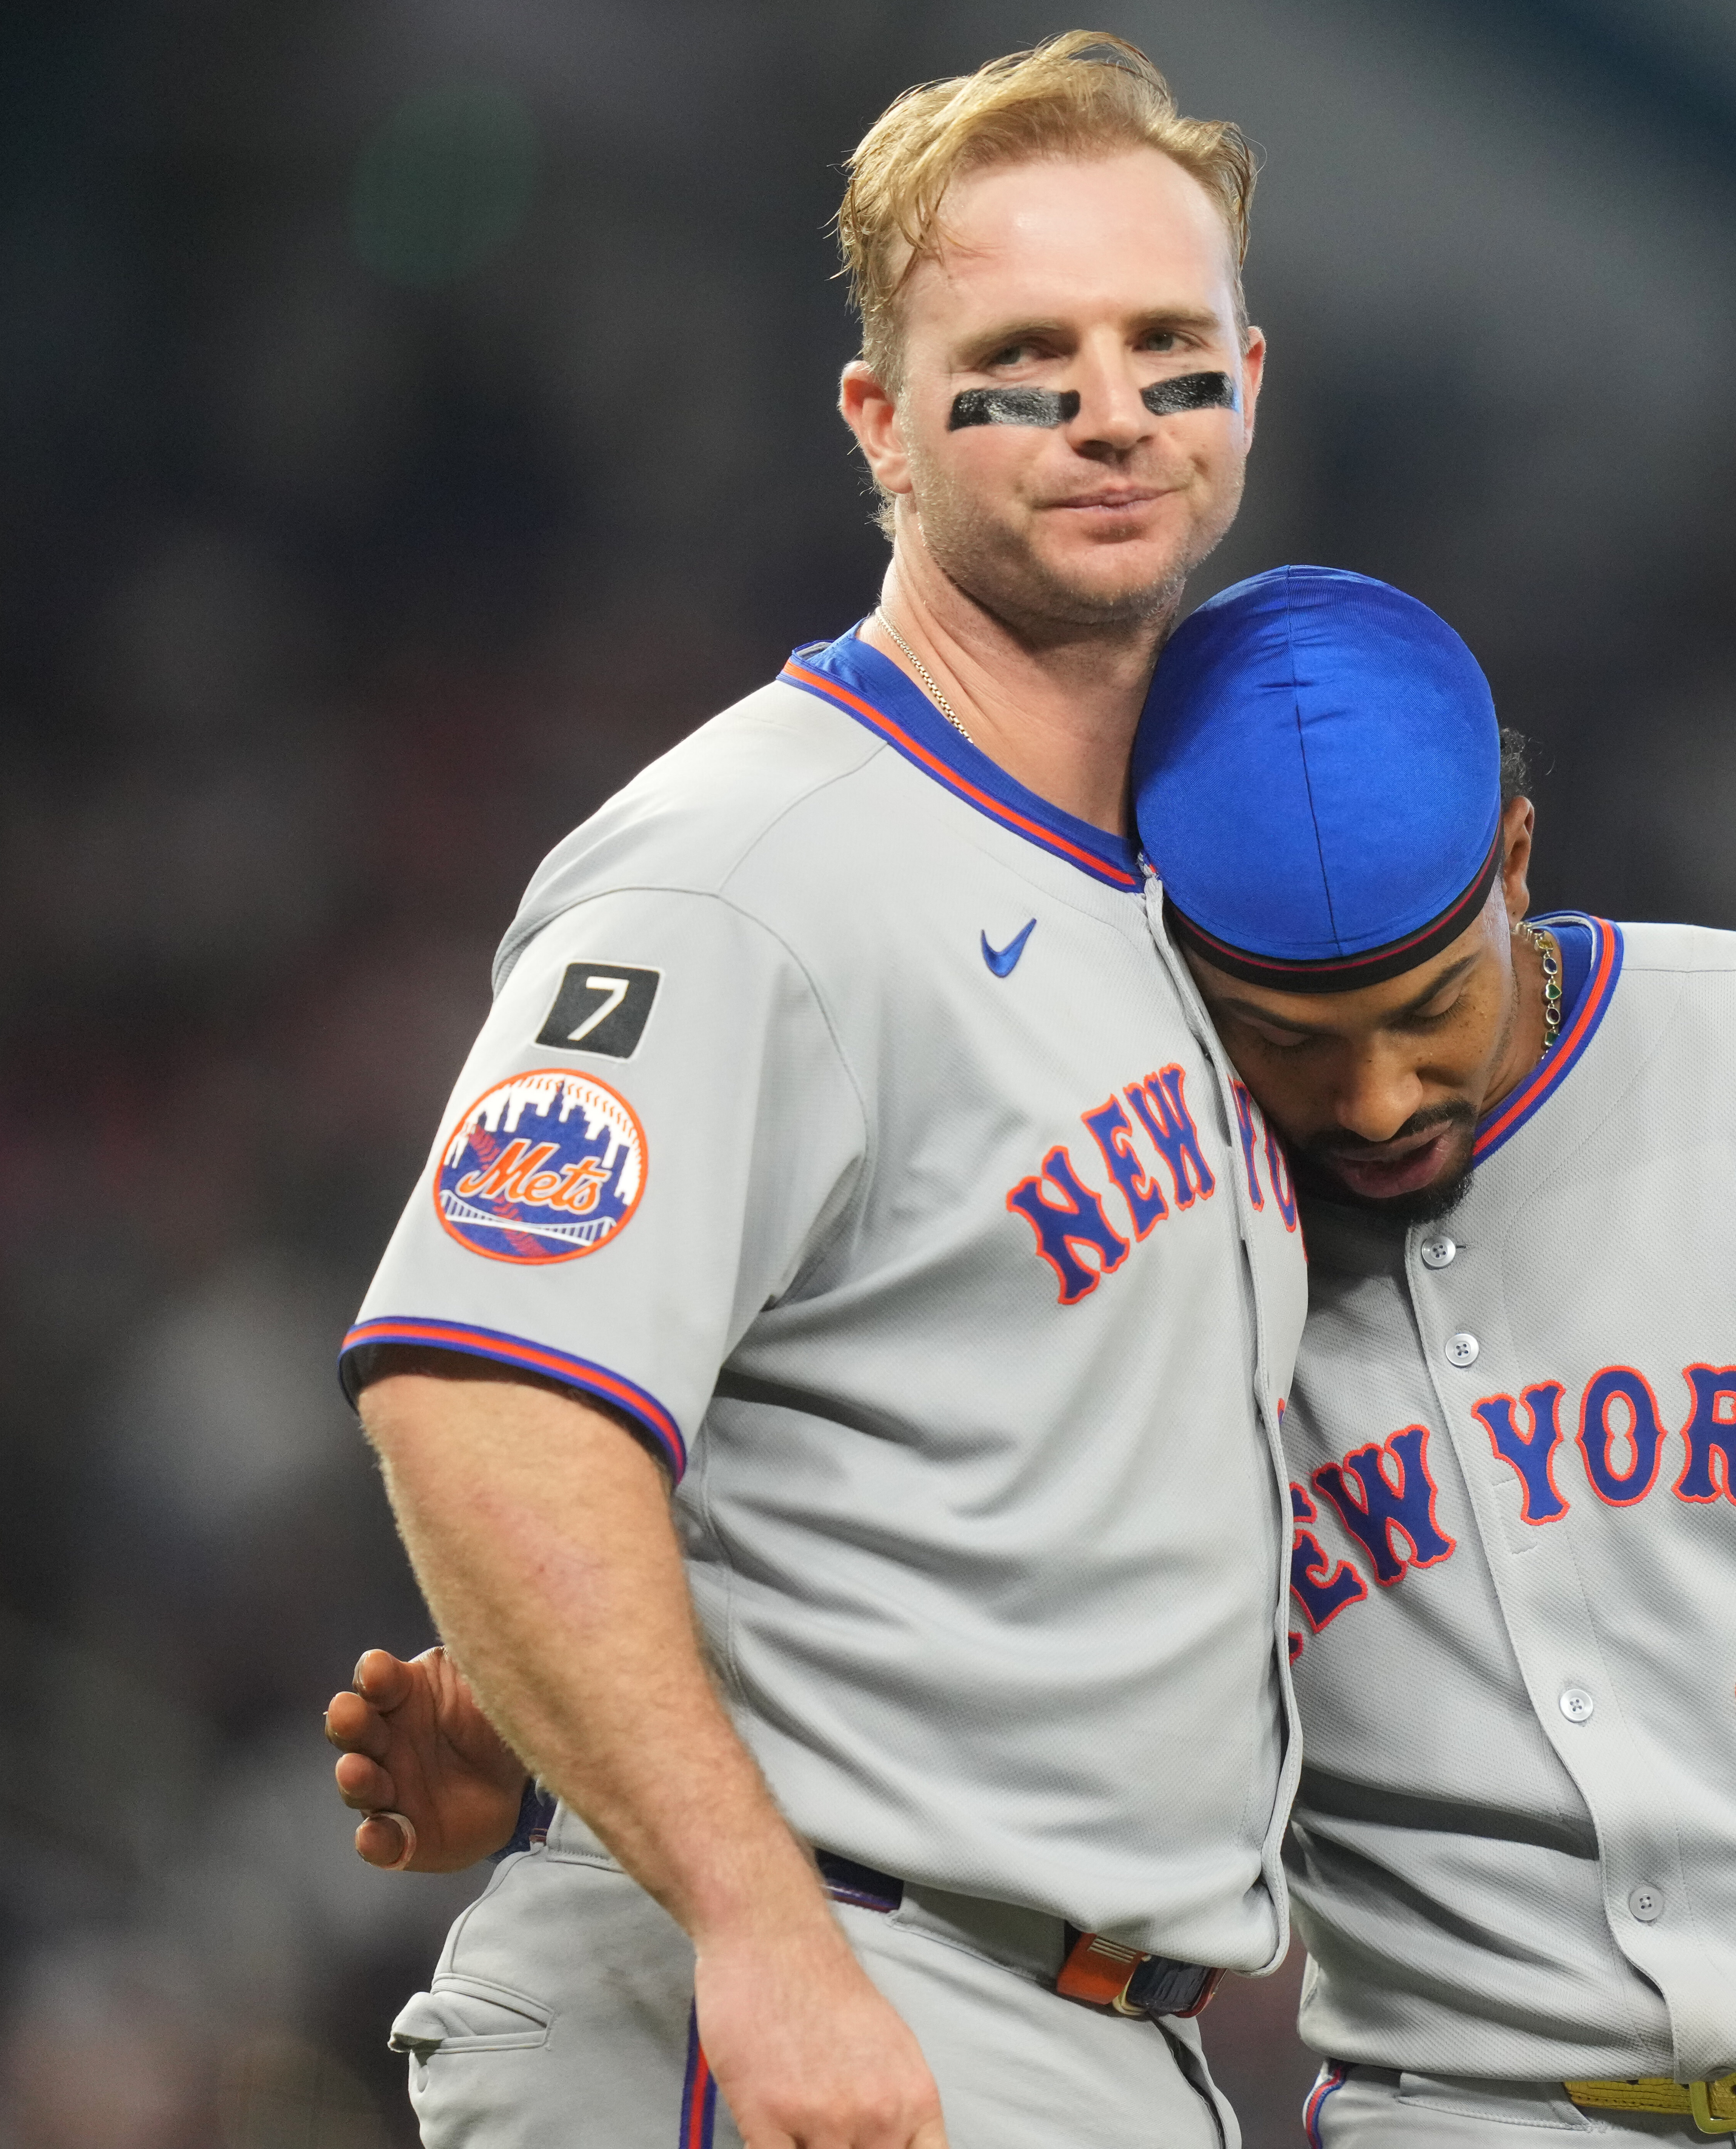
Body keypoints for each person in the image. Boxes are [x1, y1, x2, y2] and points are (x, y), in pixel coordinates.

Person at [338, 570, 1736, 2147]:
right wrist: (586, 1796)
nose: (1381, 1094)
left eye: (1431, 1009)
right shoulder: (1149, 1227)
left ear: (1516, 854)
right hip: (1469, 2117)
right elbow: (954, 1610)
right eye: (1298, 1039)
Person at [329, 36, 1308, 2149]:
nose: (1114, 408)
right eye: (1026, 358)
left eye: (1166, 346)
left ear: (1250, 379)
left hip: (1077, 2027)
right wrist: (762, 1927)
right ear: (879, 416)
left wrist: (538, 1712)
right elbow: (483, 1394)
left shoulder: (1195, 895)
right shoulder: (752, 863)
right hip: (801, 1993)